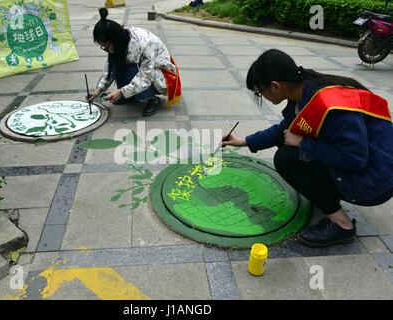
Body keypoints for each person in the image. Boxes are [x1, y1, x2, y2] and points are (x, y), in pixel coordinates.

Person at [222, 49, 393, 247]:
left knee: (286, 158)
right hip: (371, 162)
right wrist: (243, 141)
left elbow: (355, 158)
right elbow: (285, 129)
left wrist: (304, 143)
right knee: (289, 136)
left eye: (261, 91)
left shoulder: (329, 105)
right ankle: (326, 192)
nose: (263, 96)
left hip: (375, 181)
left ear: (276, 86)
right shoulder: (306, 87)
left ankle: (342, 226)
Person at [86, 8, 181, 117]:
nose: (106, 51)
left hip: (161, 73)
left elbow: (145, 76)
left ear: (115, 40)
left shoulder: (144, 43)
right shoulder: (120, 40)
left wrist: (121, 92)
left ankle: (151, 99)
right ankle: (130, 96)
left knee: (131, 69)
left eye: (106, 47)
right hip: (144, 69)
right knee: (117, 64)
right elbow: (110, 68)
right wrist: (99, 89)